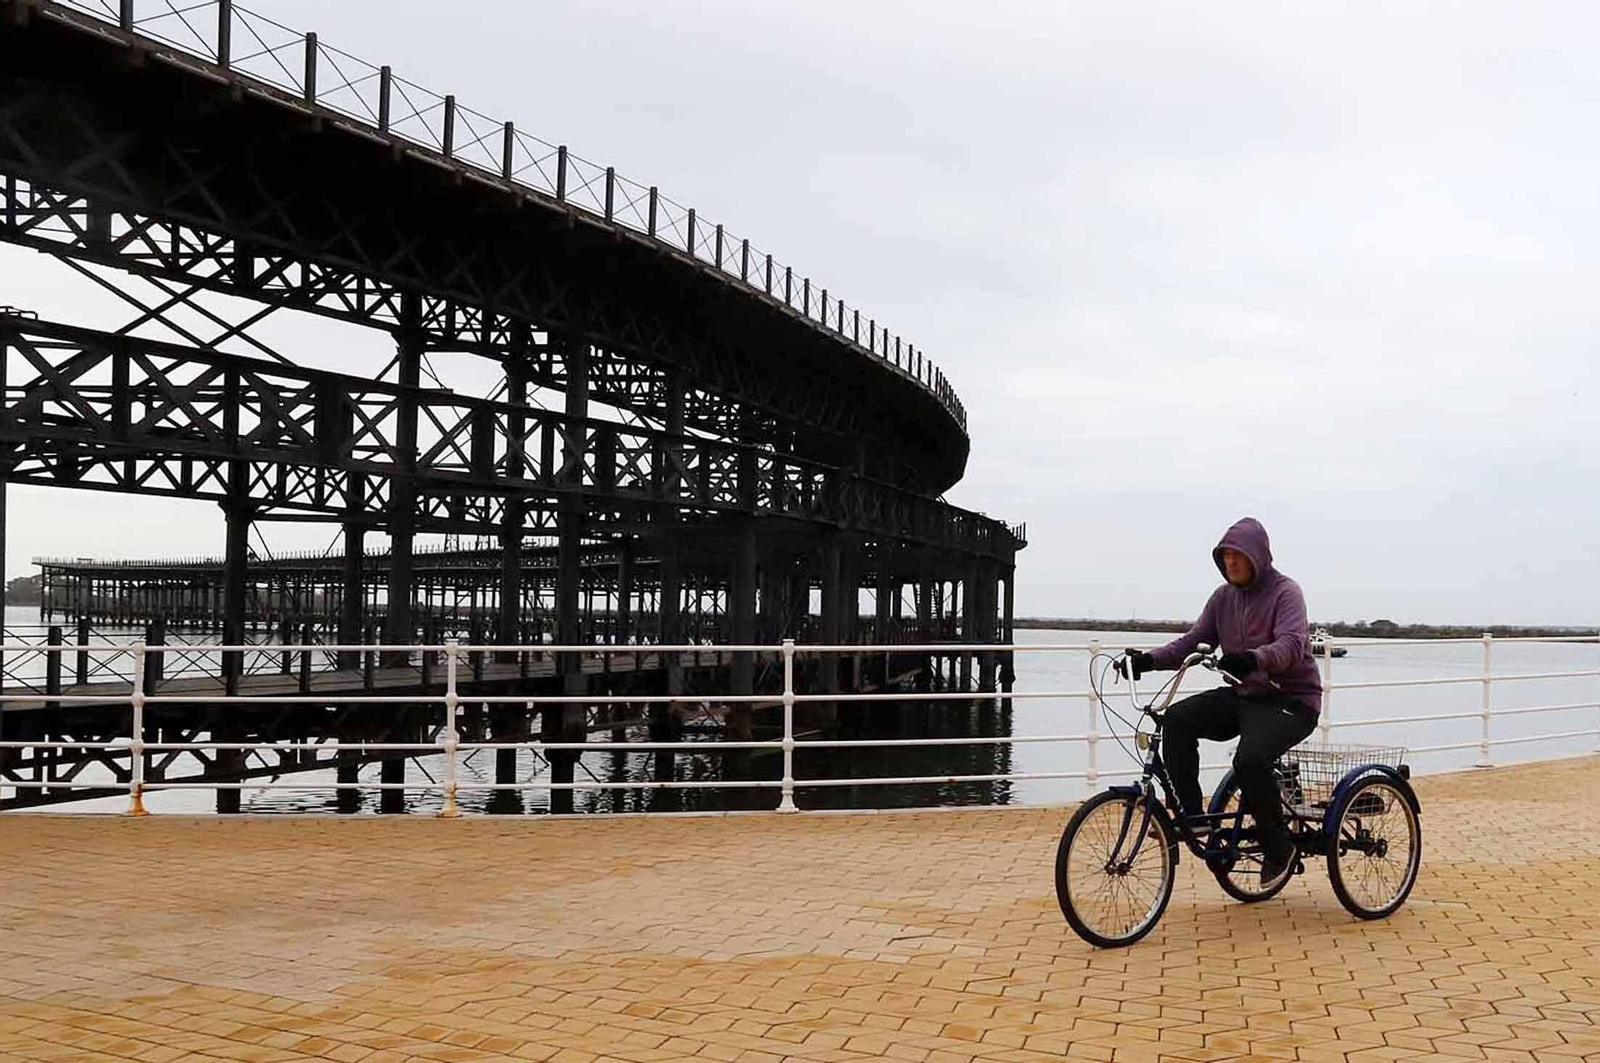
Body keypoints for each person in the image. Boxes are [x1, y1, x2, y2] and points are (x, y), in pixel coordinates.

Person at [1119, 517, 1322, 886]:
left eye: (1237, 556)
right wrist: (1147, 661)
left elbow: (1292, 645)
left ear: (1257, 556)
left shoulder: (1286, 592)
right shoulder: (1223, 597)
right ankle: (1193, 819)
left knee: (1250, 759)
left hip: (1292, 699)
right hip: (1245, 694)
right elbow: (1193, 640)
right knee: (1177, 720)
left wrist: (1253, 658)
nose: (1230, 563)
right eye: (1225, 556)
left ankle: (1279, 849)